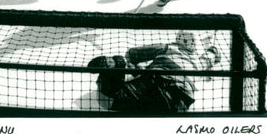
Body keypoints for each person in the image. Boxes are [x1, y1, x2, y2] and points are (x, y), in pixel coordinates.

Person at [87, 30, 221, 114]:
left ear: (177, 40)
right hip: (180, 99)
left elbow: (132, 54)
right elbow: (209, 58)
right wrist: (213, 52)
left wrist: (132, 66)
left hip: (155, 81)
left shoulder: (168, 48)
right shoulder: (198, 62)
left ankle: (114, 63)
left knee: (110, 98)